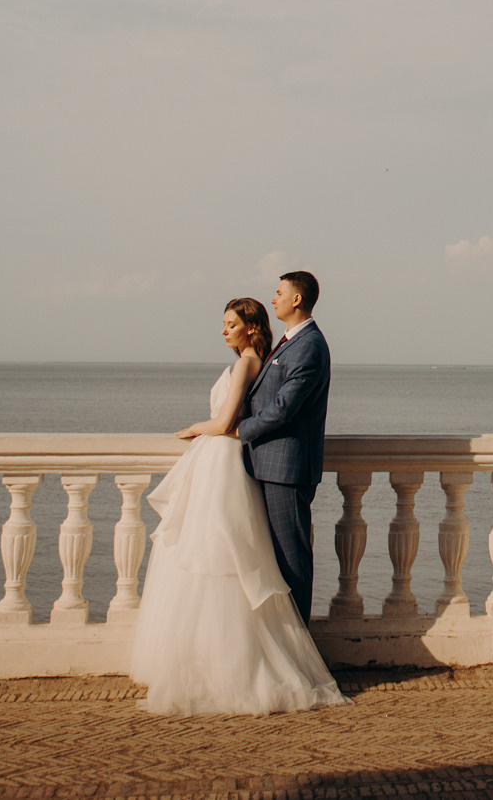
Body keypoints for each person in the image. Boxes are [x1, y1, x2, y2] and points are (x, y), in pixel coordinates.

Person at [125, 294, 344, 716]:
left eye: (230, 324)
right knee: (232, 553)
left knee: (220, 554)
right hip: (234, 462)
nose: (223, 330)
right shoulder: (268, 355)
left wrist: (194, 428)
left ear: (250, 327)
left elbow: (227, 423)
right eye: (223, 324)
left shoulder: (254, 361)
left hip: (226, 460)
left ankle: (250, 659)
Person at [236, 270, 330, 614]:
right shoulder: (291, 341)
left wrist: (240, 431)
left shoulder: (309, 346)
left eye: (279, 292)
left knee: (292, 561)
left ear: (297, 299)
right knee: (274, 560)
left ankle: (301, 649)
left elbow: (283, 408)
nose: (272, 298)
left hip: (286, 471)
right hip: (269, 466)